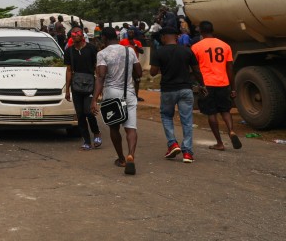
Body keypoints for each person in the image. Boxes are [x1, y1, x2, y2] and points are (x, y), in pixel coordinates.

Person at [150, 26, 204, 163]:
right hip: (186, 89)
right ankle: (187, 153)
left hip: (168, 90)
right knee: (187, 120)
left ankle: (173, 144)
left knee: (167, 116)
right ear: (177, 36)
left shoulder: (159, 52)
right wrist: (202, 85)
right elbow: (197, 71)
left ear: (163, 37)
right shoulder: (187, 50)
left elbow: (152, 72)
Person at [92, 26, 142, 175]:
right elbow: (139, 72)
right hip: (129, 93)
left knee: (114, 128)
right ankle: (131, 154)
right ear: (117, 37)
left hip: (111, 93)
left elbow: (100, 77)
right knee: (131, 128)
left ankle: (121, 159)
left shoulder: (102, 53)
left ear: (104, 39)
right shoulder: (130, 50)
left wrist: (94, 99)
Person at [191, 21, 242, 151]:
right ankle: (231, 131)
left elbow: (195, 69)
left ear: (201, 32)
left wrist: (199, 84)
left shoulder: (196, 47)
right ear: (212, 30)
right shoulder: (225, 46)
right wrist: (233, 88)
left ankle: (219, 143)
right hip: (223, 83)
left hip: (207, 84)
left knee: (211, 113)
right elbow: (230, 68)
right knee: (225, 110)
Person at [64, 25, 101, 150]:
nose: (74, 36)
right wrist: (67, 89)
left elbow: (97, 68)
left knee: (89, 112)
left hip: (90, 84)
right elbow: (69, 70)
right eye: (72, 34)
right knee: (80, 115)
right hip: (76, 85)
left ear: (82, 35)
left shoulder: (91, 49)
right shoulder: (69, 51)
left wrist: (99, 87)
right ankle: (86, 140)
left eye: (76, 33)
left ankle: (96, 132)